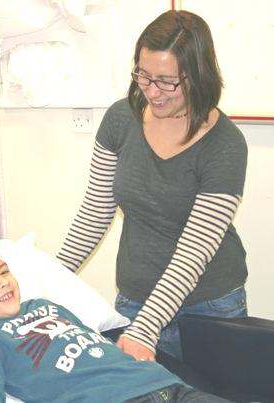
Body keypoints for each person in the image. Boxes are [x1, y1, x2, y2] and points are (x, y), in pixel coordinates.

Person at [56, 9, 248, 362]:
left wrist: (146, 327)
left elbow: (194, 251)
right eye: (144, 76)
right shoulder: (119, 119)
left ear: (197, 76)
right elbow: (96, 212)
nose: (152, 91)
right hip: (134, 298)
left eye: (166, 81)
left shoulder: (226, 145)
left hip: (209, 307)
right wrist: (49, 278)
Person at [0, 252, 231, 403]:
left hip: (164, 384)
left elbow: (93, 340)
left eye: (4, 271)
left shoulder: (43, 305)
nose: (3, 282)